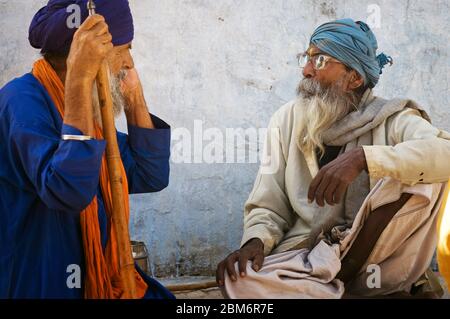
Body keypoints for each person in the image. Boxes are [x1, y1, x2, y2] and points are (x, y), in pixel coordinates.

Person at [216, 18, 450, 298]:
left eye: (320, 60)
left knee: (424, 174)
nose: (306, 71)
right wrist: (255, 242)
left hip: (379, 262)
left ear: (355, 78)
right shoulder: (286, 120)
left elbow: (445, 153)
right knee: (239, 282)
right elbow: (268, 202)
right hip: (310, 259)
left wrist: (364, 158)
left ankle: (351, 282)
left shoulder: (394, 118)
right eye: (306, 58)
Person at [0, 0, 173, 299]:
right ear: (83, 57)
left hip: (101, 278)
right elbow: (68, 191)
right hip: (43, 283)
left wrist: (134, 96)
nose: (129, 61)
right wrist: (79, 78)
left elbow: (150, 174)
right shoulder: (20, 101)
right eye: (124, 49)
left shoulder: (86, 114)